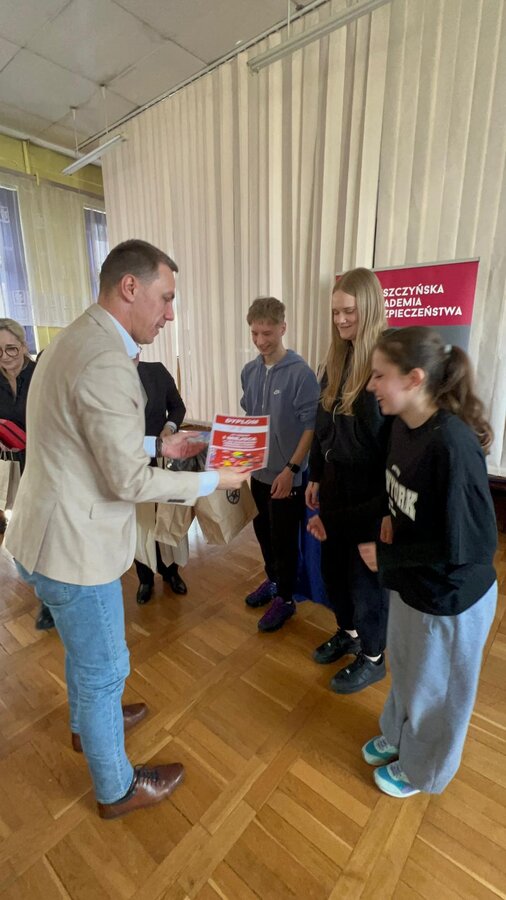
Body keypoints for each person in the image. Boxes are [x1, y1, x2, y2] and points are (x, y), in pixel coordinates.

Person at [5, 239, 246, 819]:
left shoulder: (73, 339)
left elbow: (81, 433)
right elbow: (128, 481)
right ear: (130, 288)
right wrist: (213, 479)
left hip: (45, 533)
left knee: (83, 655)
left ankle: (88, 725)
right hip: (74, 547)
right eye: (166, 298)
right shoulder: (106, 359)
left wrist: (160, 443)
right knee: (105, 669)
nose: (170, 314)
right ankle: (116, 788)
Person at [359, 326, 497, 798]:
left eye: (380, 375)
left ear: (414, 378)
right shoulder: (402, 424)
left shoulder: (452, 445)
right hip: (412, 581)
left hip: (451, 598)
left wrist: (388, 556)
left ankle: (425, 770)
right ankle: (401, 738)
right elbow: (403, 489)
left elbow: (468, 546)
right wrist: (388, 517)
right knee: (407, 671)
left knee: (436, 693)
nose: (371, 385)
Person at [306, 269, 391, 693]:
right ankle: (349, 632)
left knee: (365, 580)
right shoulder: (336, 361)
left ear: (369, 308)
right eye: (335, 312)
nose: (340, 320)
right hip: (335, 486)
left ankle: (373, 656)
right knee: (334, 570)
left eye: (349, 311)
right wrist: (315, 476)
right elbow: (323, 427)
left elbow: (392, 446)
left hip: (371, 493)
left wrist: (388, 511)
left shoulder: (386, 363)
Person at [241, 297, 319, 631]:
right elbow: (250, 420)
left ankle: (286, 599)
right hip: (258, 473)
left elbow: (311, 427)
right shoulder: (249, 371)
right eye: (255, 333)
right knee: (263, 534)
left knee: (285, 541)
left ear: (283, 328)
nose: (260, 341)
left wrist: (292, 470)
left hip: (288, 476)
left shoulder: (301, 374)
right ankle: (273, 582)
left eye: (267, 333)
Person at [135, 359, 190, 604]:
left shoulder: (156, 371)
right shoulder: (105, 376)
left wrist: (169, 427)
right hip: (131, 465)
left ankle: (171, 572)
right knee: (140, 524)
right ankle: (145, 578)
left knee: (168, 515)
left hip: (162, 459)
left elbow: (177, 407)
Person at [0, 318, 36, 535]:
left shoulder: (41, 375)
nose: (4, 356)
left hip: (39, 461)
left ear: (23, 346)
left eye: (11, 348)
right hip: (7, 462)